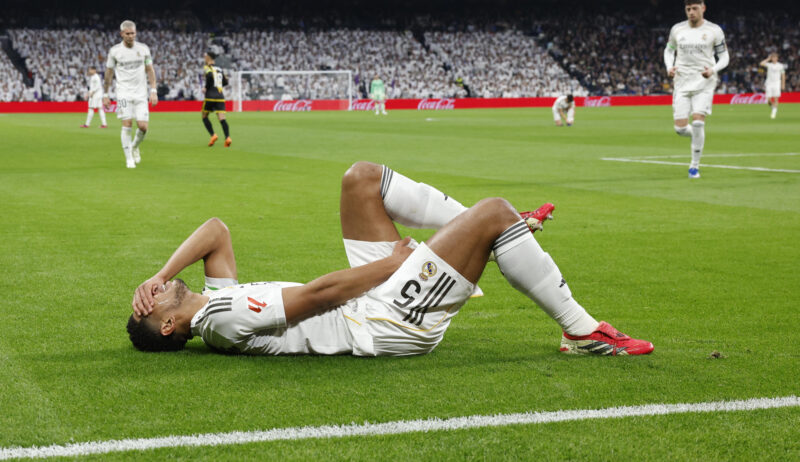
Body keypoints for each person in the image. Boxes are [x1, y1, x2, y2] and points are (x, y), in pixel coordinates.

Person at [128, 161, 653, 357]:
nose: (153, 293)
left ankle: (498, 236)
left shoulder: (214, 298)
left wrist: (161, 273)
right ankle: (579, 329)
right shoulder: (221, 321)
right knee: (494, 211)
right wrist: (396, 265)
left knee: (360, 178)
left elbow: (216, 230)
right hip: (385, 321)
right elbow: (319, 295)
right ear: (169, 326)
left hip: (371, 298)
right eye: (152, 302)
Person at [663, 0, 729, 179]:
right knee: (680, 129)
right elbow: (669, 50)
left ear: (703, 8)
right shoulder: (677, 29)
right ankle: (697, 135)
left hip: (704, 81)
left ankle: (694, 166)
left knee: (698, 121)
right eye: (688, 9)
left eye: (694, 8)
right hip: (682, 81)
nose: (691, 12)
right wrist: (669, 67)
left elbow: (725, 56)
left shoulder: (714, 30)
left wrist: (713, 69)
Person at [103, 20, 158, 169]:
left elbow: (150, 70)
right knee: (127, 123)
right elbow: (109, 73)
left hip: (141, 94)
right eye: (127, 34)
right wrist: (105, 94)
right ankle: (129, 159)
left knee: (143, 127)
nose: (130, 36)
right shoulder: (115, 51)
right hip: (122, 94)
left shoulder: (143, 49)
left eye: (133, 33)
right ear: (122, 34)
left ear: (136, 33)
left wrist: (153, 90)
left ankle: (134, 147)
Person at [201, 52, 231, 147]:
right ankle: (227, 137)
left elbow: (209, 76)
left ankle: (213, 135)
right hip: (220, 96)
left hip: (210, 96)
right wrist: (218, 85)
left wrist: (206, 87)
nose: (204, 58)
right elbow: (225, 82)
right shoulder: (220, 69)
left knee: (204, 116)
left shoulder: (207, 67)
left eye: (205, 57)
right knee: (222, 118)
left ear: (209, 58)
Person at [759, 53, 786, 120]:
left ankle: (774, 112)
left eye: (775, 57)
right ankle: (773, 107)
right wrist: (768, 59)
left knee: (776, 98)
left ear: (777, 58)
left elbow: (783, 75)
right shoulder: (769, 65)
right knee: (768, 100)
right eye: (773, 57)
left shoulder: (780, 66)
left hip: (777, 83)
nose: (774, 59)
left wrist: (783, 84)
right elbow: (761, 63)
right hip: (769, 83)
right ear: (771, 58)